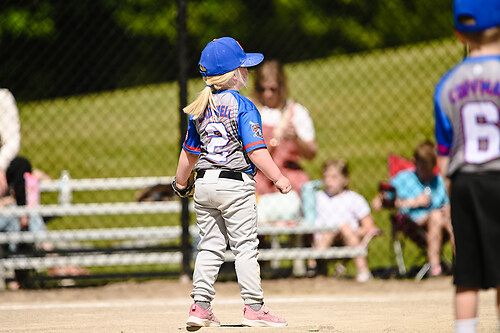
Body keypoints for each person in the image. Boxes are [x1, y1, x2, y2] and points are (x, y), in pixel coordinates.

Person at [171, 37, 291, 328]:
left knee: (210, 247)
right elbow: (255, 150)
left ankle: (199, 307)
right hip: (235, 185)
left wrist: (180, 183)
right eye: (244, 67)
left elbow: (189, 153)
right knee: (245, 247)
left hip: (205, 184)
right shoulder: (244, 105)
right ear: (235, 74)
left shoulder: (199, 107)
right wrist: (278, 177)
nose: (248, 72)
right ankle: (254, 308)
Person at [434, 1, 500, 331]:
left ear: (458, 33)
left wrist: (450, 192)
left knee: (467, 274)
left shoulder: (447, 83)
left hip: (464, 182)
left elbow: (444, 150)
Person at [372, 141, 454, 277]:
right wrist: (414, 202)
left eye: (431, 168)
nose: (428, 173)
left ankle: (463, 262)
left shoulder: (438, 180)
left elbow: (446, 202)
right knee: (436, 215)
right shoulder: (403, 179)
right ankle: (434, 266)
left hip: (441, 222)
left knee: (449, 217)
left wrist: (448, 207)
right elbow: (378, 204)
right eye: (424, 168)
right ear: (415, 163)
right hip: (414, 222)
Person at [307, 159, 381, 282]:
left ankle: (363, 271)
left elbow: (369, 226)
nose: (328, 181)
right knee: (328, 233)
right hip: (323, 239)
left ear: (345, 179)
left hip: (350, 238)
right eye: (325, 177)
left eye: (334, 177)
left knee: (346, 230)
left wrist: (348, 231)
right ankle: (314, 268)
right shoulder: (317, 198)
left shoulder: (354, 198)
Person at [251, 60, 317, 197]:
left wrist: (296, 138)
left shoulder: (296, 111)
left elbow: (311, 154)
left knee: (296, 184)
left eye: (272, 89)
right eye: (262, 89)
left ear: (282, 87)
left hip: (287, 173)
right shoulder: (249, 109)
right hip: (257, 175)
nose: (267, 94)